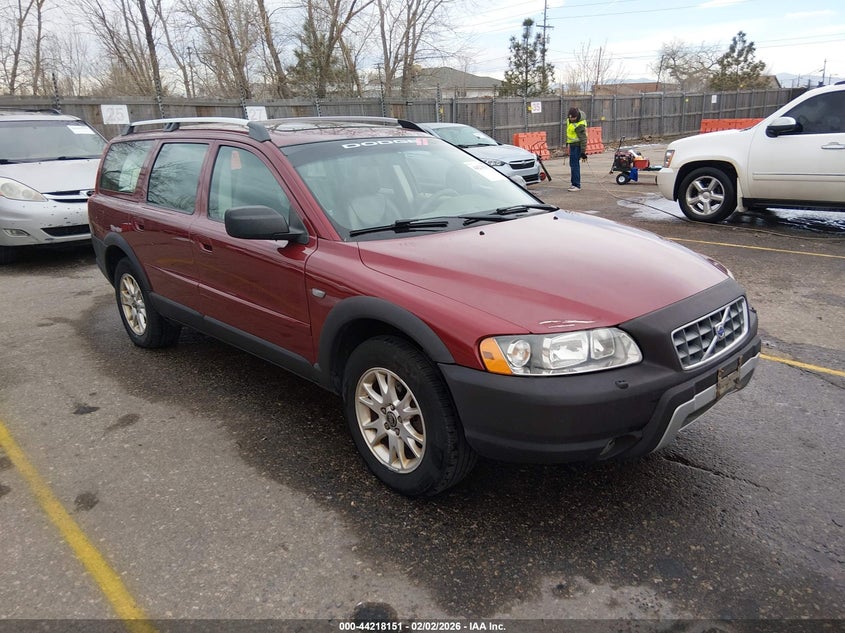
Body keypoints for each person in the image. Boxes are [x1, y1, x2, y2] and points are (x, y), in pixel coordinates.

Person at [566, 107, 588, 191]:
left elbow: (583, 139)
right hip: (572, 145)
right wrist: (568, 144)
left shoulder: (580, 125)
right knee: (572, 165)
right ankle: (573, 183)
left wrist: (583, 152)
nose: (571, 119)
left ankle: (576, 185)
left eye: (573, 118)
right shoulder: (569, 120)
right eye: (570, 117)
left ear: (576, 116)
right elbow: (569, 133)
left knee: (575, 165)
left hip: (577, 146)